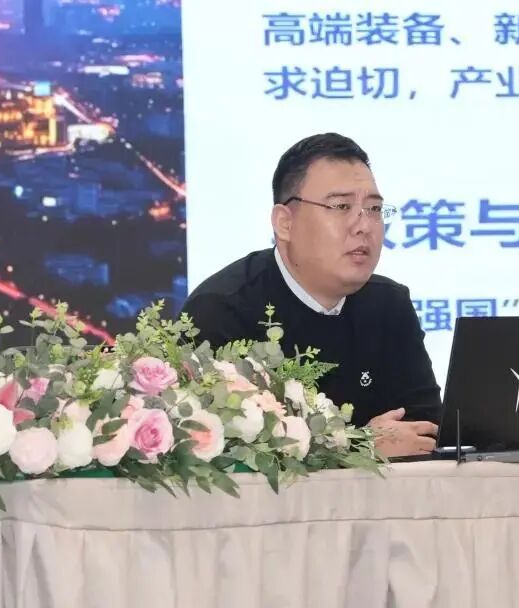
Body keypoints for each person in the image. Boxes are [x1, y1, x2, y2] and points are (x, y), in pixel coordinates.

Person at [180, 133, 441, 458]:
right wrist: (359, 446)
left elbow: (426, 430)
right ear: (284, 223)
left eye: (374, 208)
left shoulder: (389, 304)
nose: (364, 225)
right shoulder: (221, 311)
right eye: (342, 206)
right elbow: (217, 453)